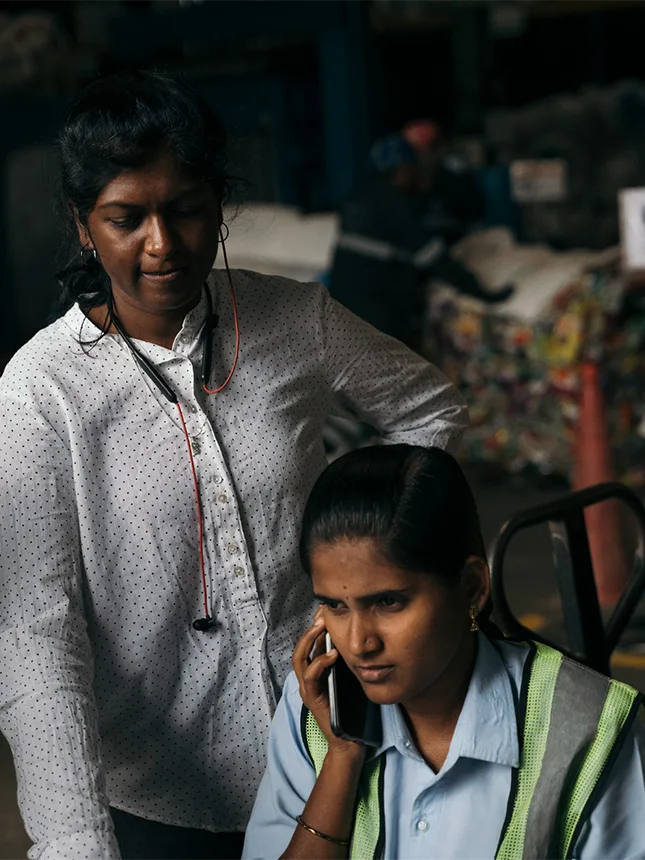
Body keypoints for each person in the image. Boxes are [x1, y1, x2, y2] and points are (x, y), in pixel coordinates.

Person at [0, 71, 468, 860]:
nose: (162, 242)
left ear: (217, 204)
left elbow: (431, 411)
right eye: (126, 218)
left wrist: (366, 574)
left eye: (184, 209)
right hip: (158, 797)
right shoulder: (40, 394)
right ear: (85, 227)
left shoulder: (293, 318)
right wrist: (75, 840)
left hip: (331, 749)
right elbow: (35, 632)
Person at [242, 444, 645, 860]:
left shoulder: (592, 728)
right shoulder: (314, 709)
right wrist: (342, 758)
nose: (360, 643)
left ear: (471, 587)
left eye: (388, 602)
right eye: (336, 606)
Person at [328, 134, 511, 349]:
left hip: (342, 308)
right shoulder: (398, 206)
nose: (420, 173)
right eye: (415, 167)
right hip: (376, 315)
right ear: (404, 169)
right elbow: (436, 260)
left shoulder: (358, 198)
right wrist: (482, 294)